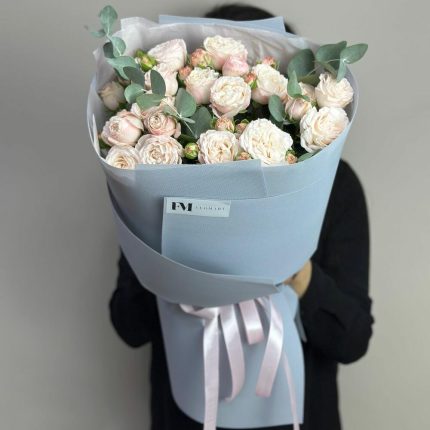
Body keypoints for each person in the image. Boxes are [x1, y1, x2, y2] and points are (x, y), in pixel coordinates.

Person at [109, 4, 374, 430]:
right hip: (184, 412)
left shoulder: (334, 185)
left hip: (300, 413)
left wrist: (292, 268)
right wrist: (169, 261)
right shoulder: (156, 176)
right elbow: (128, 326)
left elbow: (353, 338)